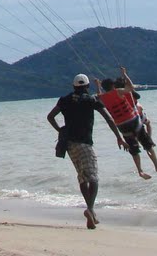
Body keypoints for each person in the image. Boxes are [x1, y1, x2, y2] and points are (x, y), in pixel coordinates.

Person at [46, 74, 124, 229]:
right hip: (85, 143)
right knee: (93, 177)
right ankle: (90, 209)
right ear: (87, 86)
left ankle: (91, 212)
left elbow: (50, 117)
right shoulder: (91, 100)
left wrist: (60, 130)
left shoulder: (65, 100)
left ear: (74, 86)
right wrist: (119, 137)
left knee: (82, 177)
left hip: (69, 144)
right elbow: (109, 119)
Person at [97, 67, 157, 178]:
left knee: (134, 150)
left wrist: (98, 85)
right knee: (147, 144)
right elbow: (130, 87)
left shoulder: (102, 98)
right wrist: (125, 74)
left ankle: (140, 171)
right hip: (133, 121)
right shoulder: (118, 91)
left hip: (122, 126)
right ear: (113, 86)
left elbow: (99, 95)